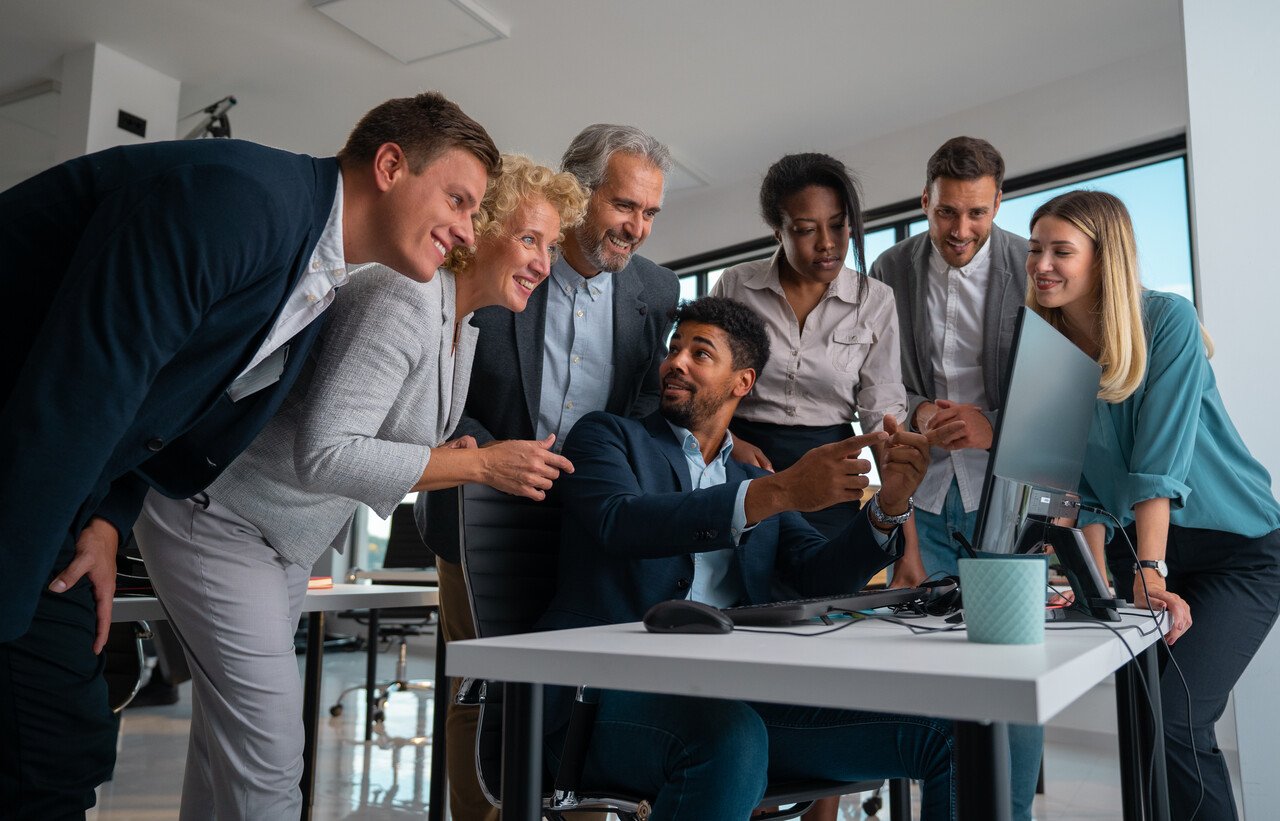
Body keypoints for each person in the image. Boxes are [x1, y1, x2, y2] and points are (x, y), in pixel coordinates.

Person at [0, 91, 499, 816]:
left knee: (65, 743)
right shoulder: (239, 202)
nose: (465, 230)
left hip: (55, 481)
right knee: (45, 746)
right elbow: (81, 385)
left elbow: (157, 405)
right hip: (24, 458)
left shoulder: (313, 280)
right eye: (459, 199)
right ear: (391, 164)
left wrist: (107, 517)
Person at [128, 155, 586, 820]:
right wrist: (479, 464)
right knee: (272, 752)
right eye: (528, 238)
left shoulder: (462, 325)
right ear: (477, 227)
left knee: (230, 749)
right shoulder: (405, 297)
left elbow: (379, 435)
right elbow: (326, 452)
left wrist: (443, 453)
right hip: (218, 519)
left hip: (279, 537)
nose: (544, 262)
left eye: (549, 246)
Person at [537, 296, 955, 821]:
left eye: (700, 352)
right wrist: (775, 493)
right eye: (674, 348)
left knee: (951, 730)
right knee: (729, 740)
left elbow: (814, 576)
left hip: (734, 700)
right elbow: (621, 523)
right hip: (601, 701)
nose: (676, 361)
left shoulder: (752, 481)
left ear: (742, 382)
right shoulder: (608, 437)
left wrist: (889, 508)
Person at [416, 124, 680, 821]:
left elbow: (649, 405)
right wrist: (488, 457)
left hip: (586, 523)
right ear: (580, 193)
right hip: (480, 505)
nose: (638, 227)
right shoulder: (498, 254)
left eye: (650, 213)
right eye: (626, 206)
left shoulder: (656, 289)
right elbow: (443, 393)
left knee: (582, 680)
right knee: (484, 682)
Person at [1027, 189, 1280, 820]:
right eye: (1035, 250)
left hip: (1235, 553)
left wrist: (1149, 571)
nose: (1042, 265)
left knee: (1174, 720)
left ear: (1104, 258)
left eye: (1062, 251)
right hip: (1138, 554)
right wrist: (1086, 587)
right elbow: (1077, 490)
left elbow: (1155, 469)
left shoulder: (1167, 321)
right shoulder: (1050, 351)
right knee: (1144, 726)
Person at [869, 136, 1040, 820]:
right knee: (935, 662)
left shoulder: (1032, 265)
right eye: (946, 213)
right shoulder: (889, 267)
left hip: (1005, 491)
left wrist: (993, 422)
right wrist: (918, 409)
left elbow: (1056, 384)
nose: (960, 230)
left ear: (998, 204)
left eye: (976, 213)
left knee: (1011, 664)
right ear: (925, 202)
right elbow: (882, 384)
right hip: (928, 492)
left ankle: (1013, 810)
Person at [712, 152, 906, 537]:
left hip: (832, 467)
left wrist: (905, 541)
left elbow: (884, 422)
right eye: (805, 229)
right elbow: (704, 388)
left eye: (838, 225)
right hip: (743, 462)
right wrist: (727, 441)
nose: (828, 244)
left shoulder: (876, 300)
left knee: (826, 588)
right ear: (776, 229)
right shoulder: (736, 287)